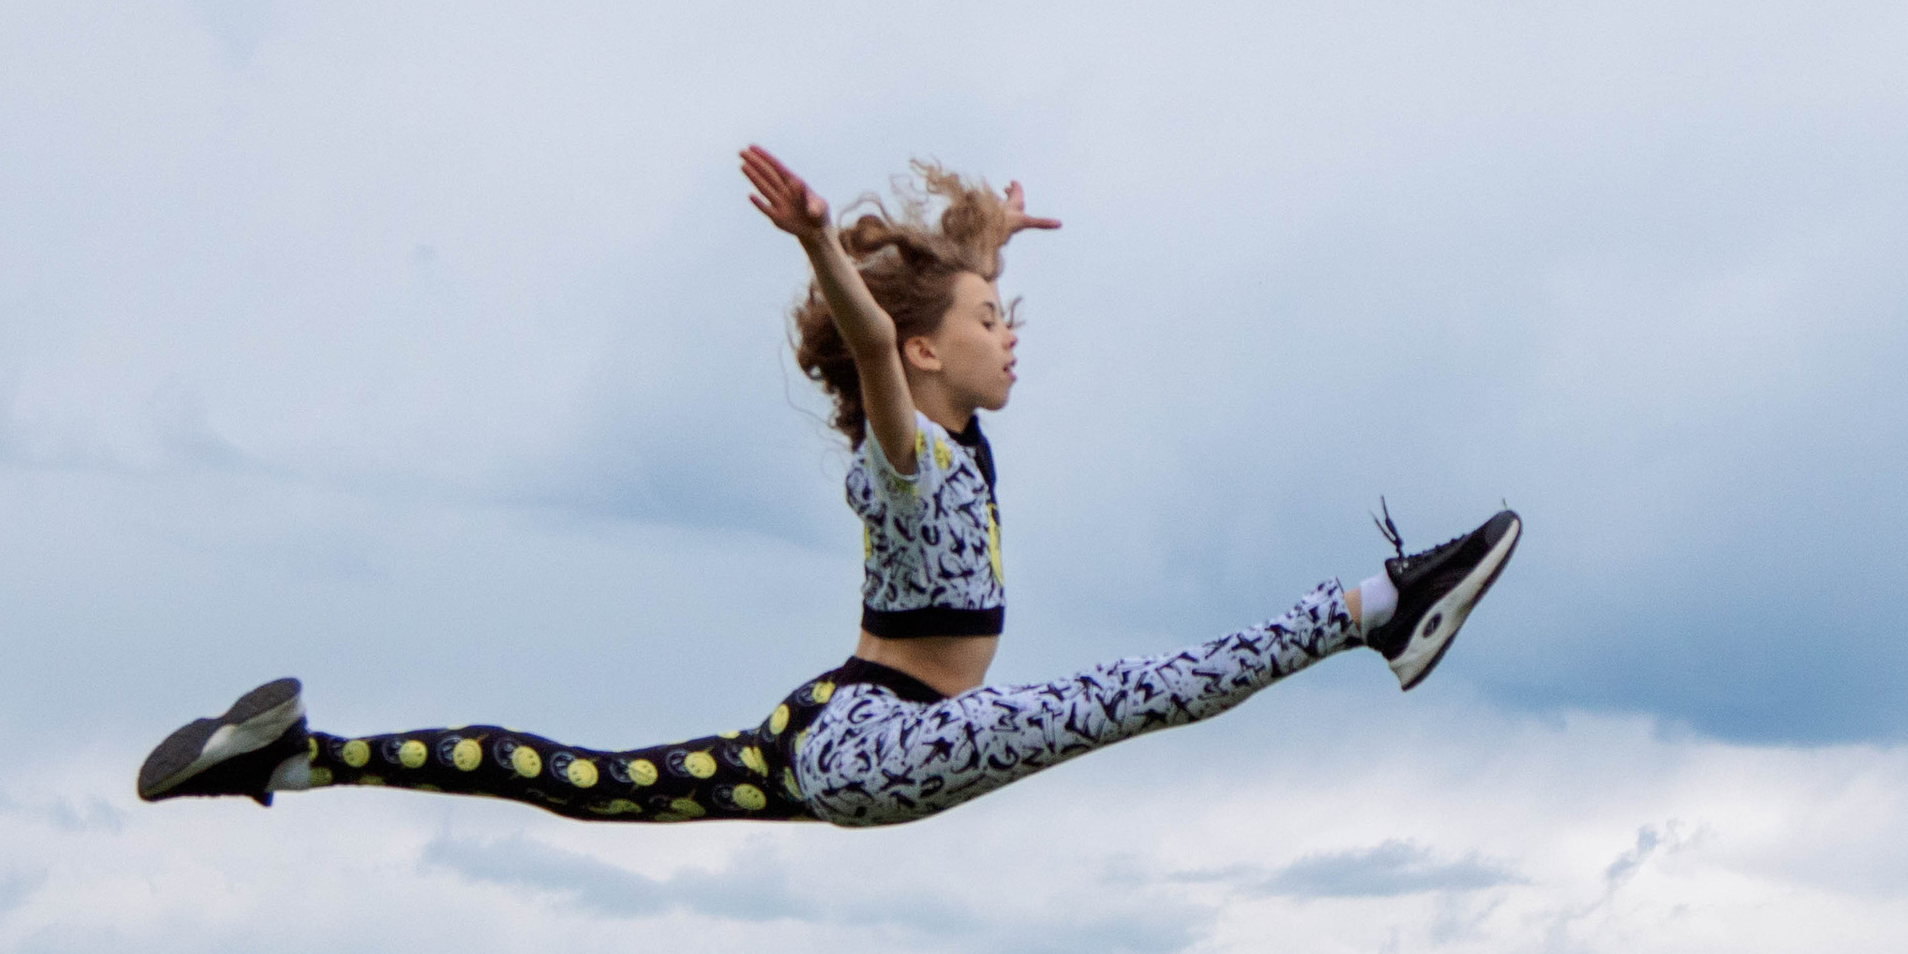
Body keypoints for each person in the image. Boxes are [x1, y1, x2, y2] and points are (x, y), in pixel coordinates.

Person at [136, 147, 1520, 826]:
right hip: (881, 740)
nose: (1013, 330)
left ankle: (293, 759)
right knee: (1141, 690)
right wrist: (818, 250)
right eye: (993, 318)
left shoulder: (950, 421)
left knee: (584, 783)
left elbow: (926, 313)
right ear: (921, 355)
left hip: (837, 722)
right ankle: (1378, 606)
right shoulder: (907, 459)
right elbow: (875, 339)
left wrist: (982, 232)